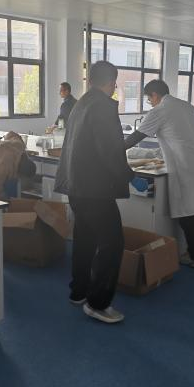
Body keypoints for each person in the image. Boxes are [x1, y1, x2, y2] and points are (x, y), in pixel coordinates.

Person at [55, 61, 134, 324]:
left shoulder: (81, 104)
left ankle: (79, 292)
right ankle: (98, 304)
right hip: (95, 189)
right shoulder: (103, 106)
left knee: (85, 239)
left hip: (76, 186)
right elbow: (110, 150)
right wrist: (128, 175)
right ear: (111, 83)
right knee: (113, 243)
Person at [124, 79, 194, 268]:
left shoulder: (159, 110)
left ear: (154, 95)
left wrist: (114, 149)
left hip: (185, 166)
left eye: (149, 99)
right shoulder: (188, 107)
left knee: (189, 211)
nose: (150, 103)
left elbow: (136, 136)